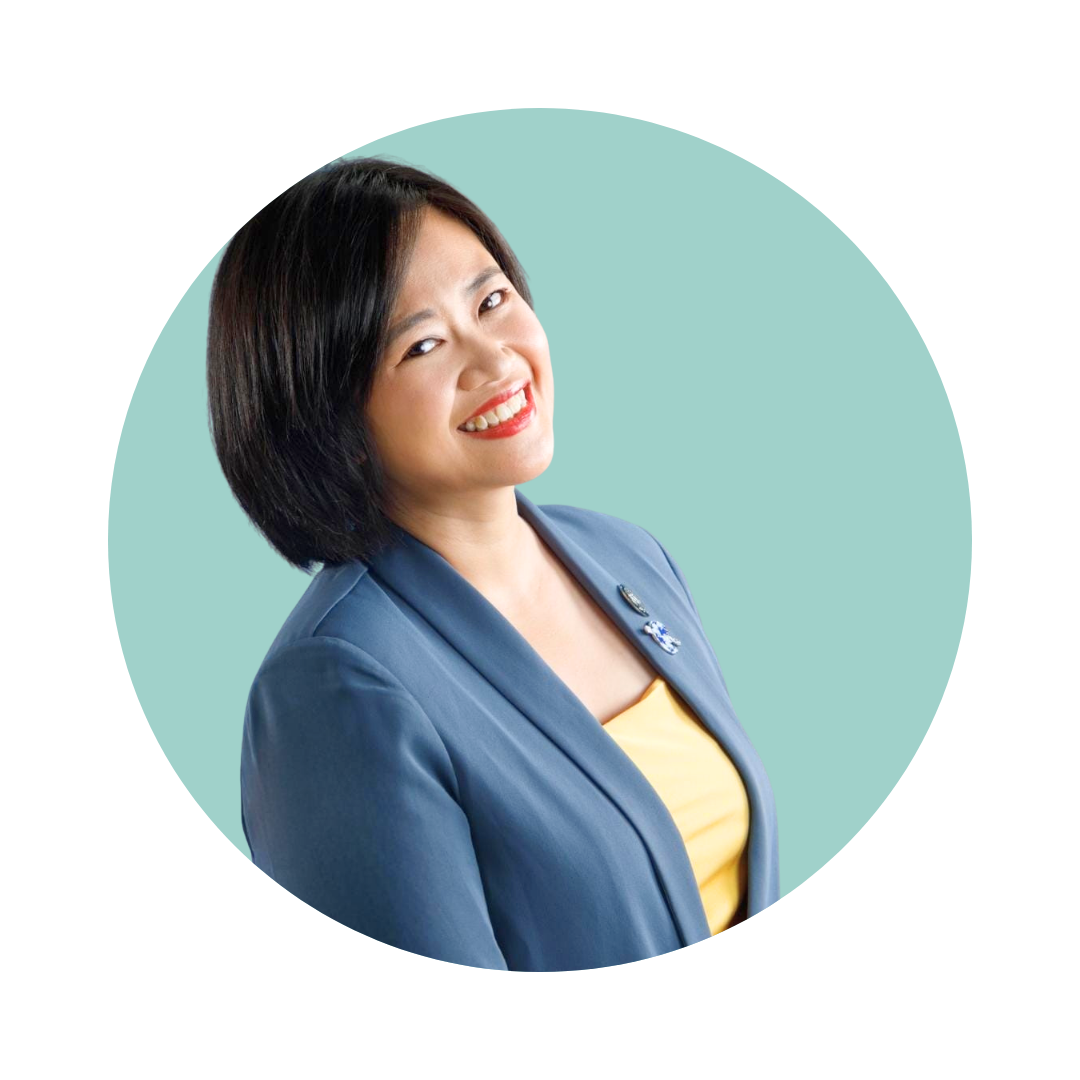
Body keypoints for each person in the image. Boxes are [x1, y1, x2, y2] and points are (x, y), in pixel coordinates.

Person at [209, 156, 779, 971]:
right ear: (326, 408)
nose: (495, 361)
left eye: (493, 299)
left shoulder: (628, 554)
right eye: (425, 345)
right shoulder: (333, 687)